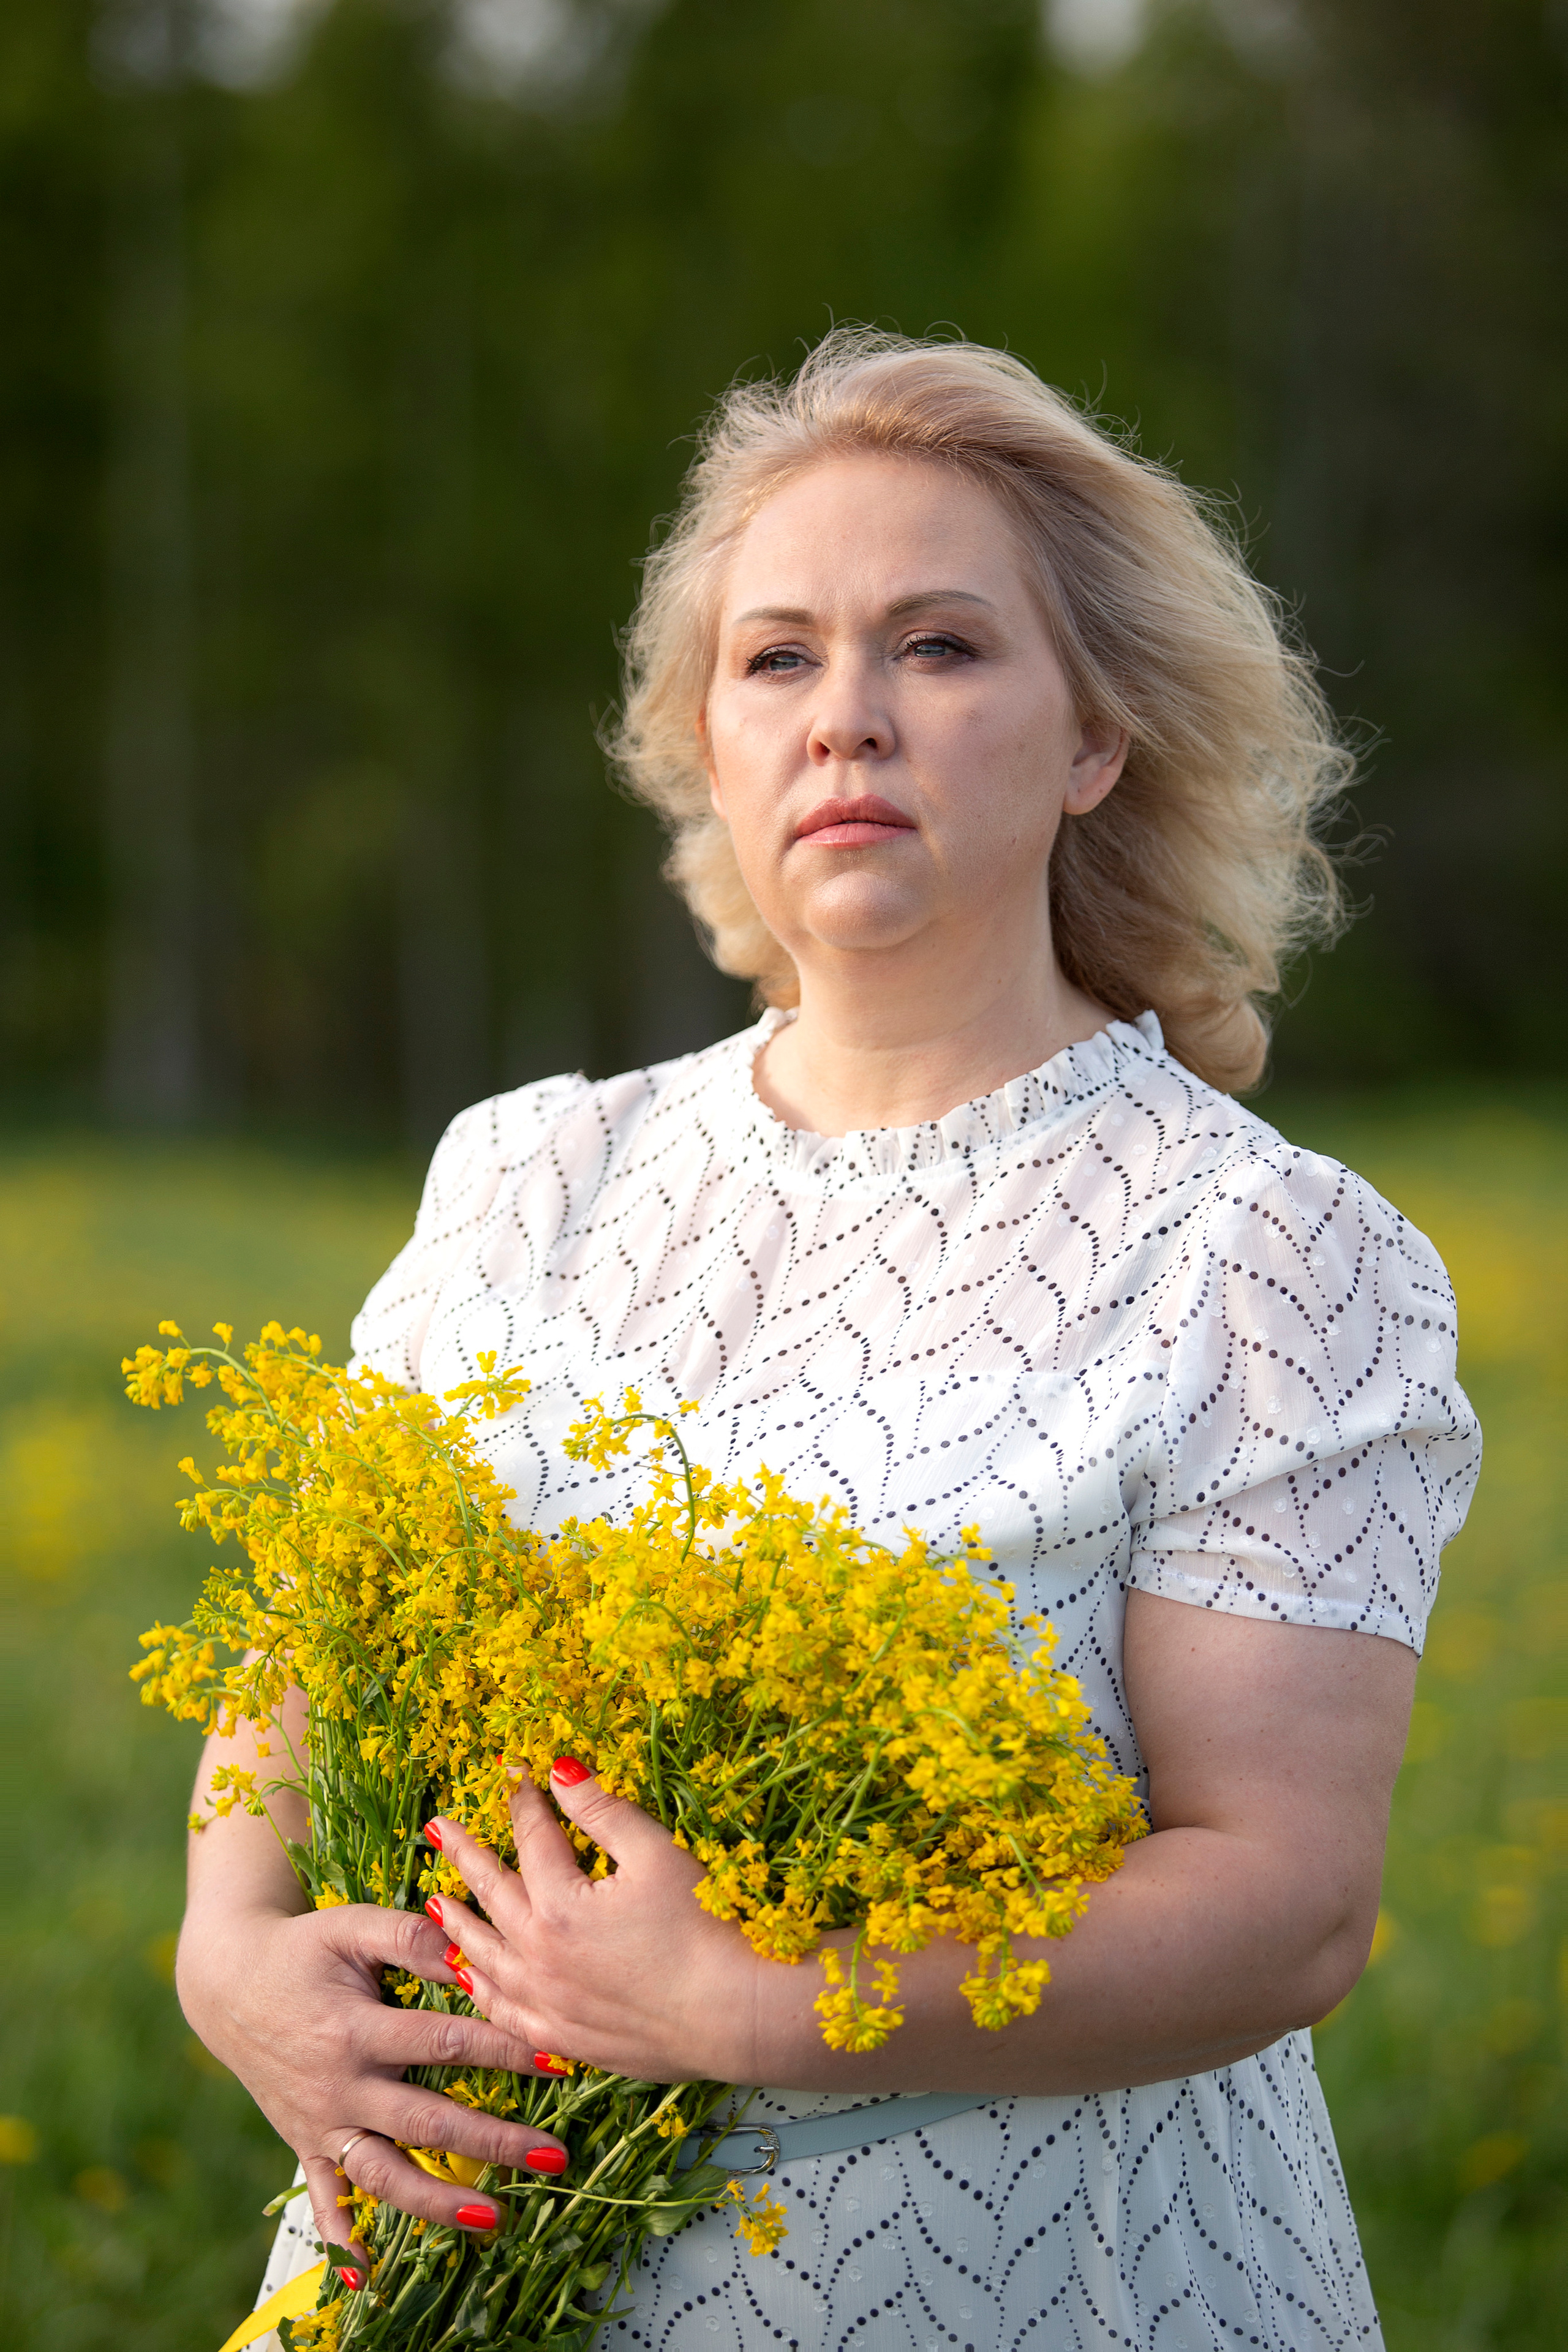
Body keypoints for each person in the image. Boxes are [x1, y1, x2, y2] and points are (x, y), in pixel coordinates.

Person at [184, 331, 1480, 2351]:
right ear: (706, 737)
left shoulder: (1266, 1250)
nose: (848, 719)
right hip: (443, 2268)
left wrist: (749, 2013)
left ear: (1094, 739)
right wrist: (227, 1954)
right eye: (777, 658)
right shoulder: (530, 1175)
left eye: (942, 649)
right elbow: (301, 1651)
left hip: (1044, 2285)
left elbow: (1288, 1900)